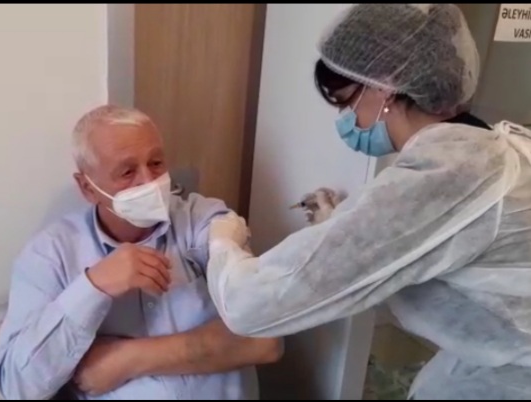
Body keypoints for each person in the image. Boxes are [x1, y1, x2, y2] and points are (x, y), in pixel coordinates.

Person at [204, 4, 531, 400]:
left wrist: (223, 243)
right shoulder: (491, 148)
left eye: (347, 102)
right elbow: (407, 253)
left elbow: (248, 307)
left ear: (385, 85)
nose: (347, 119)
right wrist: (337, 223)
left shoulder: (443, 176)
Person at [0, 105, 283, 400]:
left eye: (155, 163)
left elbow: (266, 338)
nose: (149, 181)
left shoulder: (204, 222)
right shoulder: (50, 255)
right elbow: (17, 387)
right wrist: (94, 287)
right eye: (128, 171)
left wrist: (128, 358)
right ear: (87, 188)